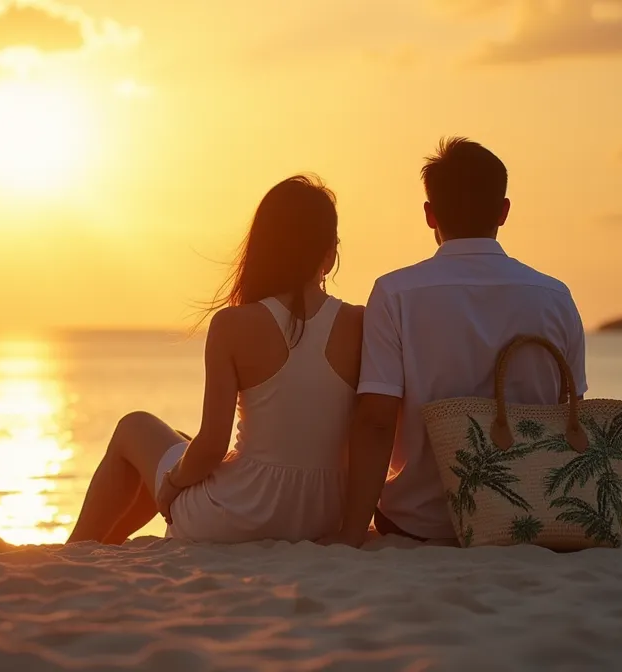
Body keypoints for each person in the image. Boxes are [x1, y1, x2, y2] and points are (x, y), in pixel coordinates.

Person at [66, 175, 364, 545]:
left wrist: (172, 486)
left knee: (134, 427)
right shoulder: (360, 323)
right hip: (321, 513)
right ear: (329, 251)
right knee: (178, 441)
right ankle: (105, 546)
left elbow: (211, 446)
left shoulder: (233, 324)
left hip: (244, 513)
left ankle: (78, 547)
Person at [320, 137, 588, 547]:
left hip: (419, 524)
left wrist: (352, 534)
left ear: (430, 215)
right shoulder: (555, 296)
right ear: (504, 211)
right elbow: (572, 413)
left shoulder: (395, 294)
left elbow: (376, 420)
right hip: (529, 522)